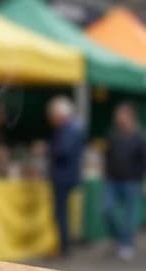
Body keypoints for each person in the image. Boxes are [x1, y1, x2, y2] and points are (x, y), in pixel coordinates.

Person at [103, 103, 146, 261]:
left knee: (129, 216)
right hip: (112, 180)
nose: (119, 118)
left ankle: (127, 243)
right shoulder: (113, 135)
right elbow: (108, 155)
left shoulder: (139, 137)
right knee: (107, 209)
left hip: (131, 181)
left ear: (130, 117)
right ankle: (118, 238)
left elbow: (145, 160)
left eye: (122, 115)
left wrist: (139, 177)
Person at [46, 96, 86, 256]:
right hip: (68, 175)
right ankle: (64, 245)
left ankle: (64, 247)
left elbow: (63, 151)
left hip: (63, 176)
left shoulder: (68, 130)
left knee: (61, 213)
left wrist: (49, 149)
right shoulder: (74, 128)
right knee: (63, 213)